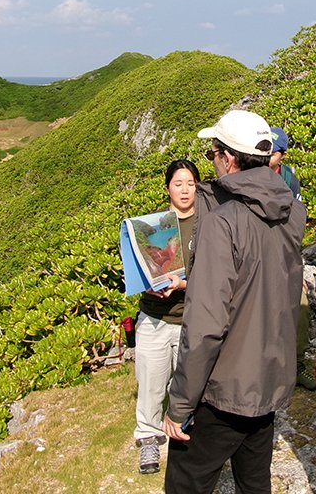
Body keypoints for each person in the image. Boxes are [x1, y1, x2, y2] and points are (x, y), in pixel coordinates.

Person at [162, 110, 307, 494]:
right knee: (254, 479)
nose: (211, 160)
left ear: (228, 159)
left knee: (187, 480)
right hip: (268, 376)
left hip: (224, 386)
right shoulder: (293, 210)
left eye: (213, 153)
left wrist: (180, 403)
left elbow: (207, 324)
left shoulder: (221, 223)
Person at [134, 159, 200, 474]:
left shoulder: (209, 225)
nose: (184, 190)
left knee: (187, 383)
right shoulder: (157, 225)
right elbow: (142, 269)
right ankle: (148, 437)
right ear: (168, 188)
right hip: (155, 317)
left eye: (190, 183)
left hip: (192, 318)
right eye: (178, 183)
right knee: (150, 381)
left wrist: (184, 284)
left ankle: (185, 428)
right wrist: (148, 286)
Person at [270, 126, 316, 392]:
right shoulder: (249, 175)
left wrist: (294, 264)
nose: (268, 154)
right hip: (260, 257)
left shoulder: (289, 179)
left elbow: (295, 225)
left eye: (273, 151)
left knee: (299, 309)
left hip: (286, 255)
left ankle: (297, 364)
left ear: (283, 154)